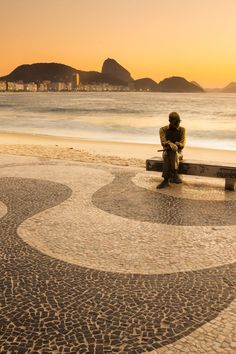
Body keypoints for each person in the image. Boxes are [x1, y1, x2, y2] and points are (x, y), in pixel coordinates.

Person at [157, 112, 186, 189]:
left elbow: (182, 144)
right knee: (168, 153)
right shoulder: (163, 130)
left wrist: (177, 144)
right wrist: (169, 144)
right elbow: (163, 142)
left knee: (171, 153)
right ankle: (175, 173)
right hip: (166, 152)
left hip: (179, 153)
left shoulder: (182, 130)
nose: (177, 124)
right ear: (170, 121)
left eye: (178, 122)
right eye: (175, 122)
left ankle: (165, 180)